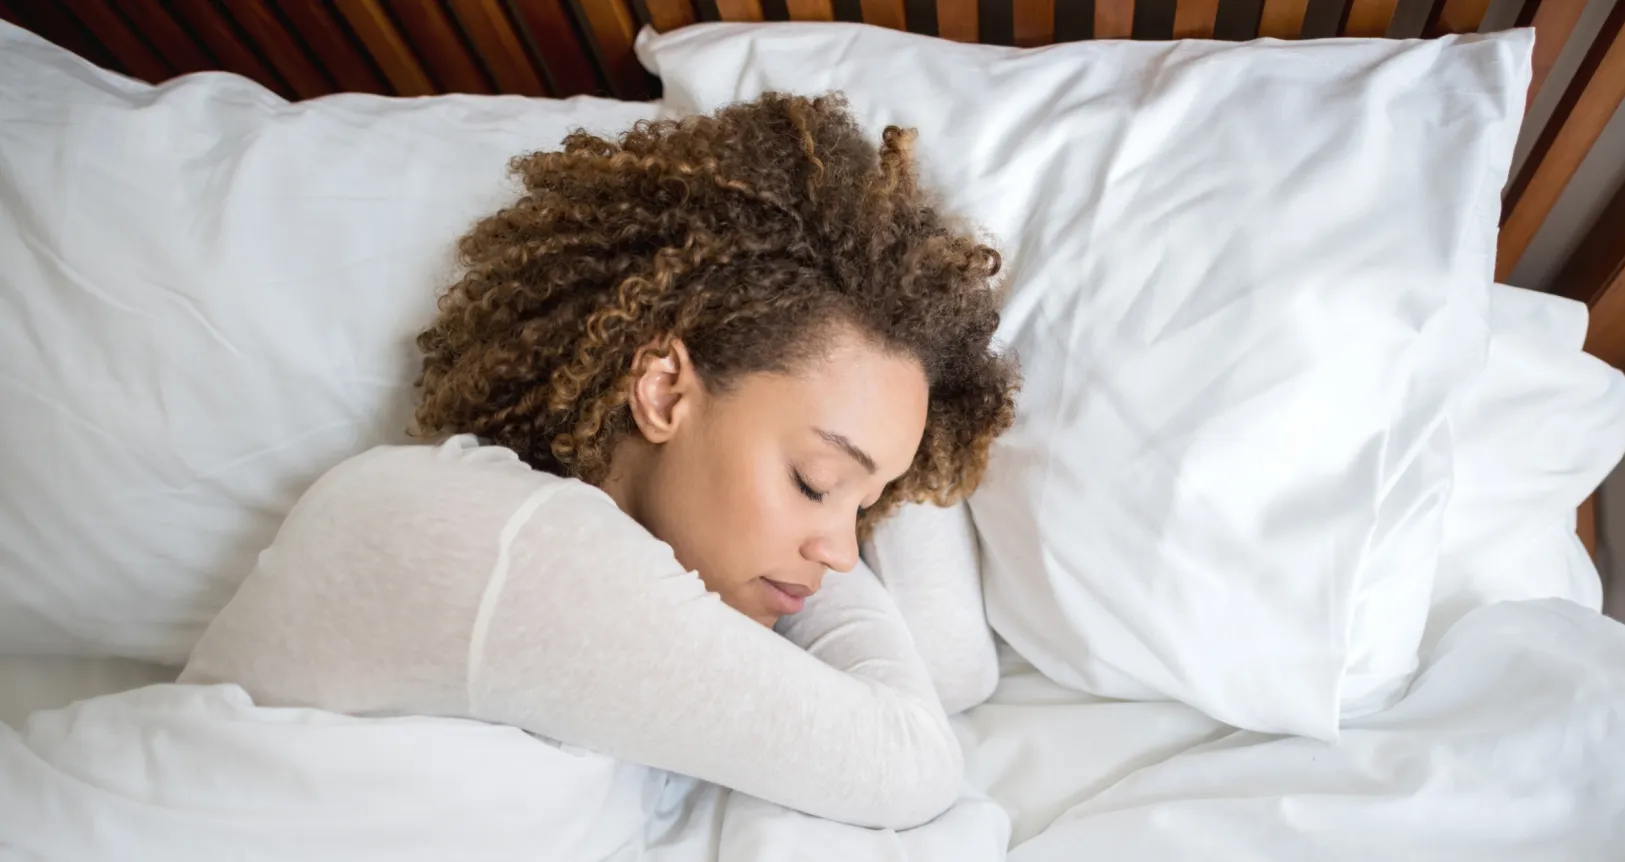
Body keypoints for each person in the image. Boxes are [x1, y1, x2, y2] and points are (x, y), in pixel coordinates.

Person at [180, 92, 1017, 830]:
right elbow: (906, 761)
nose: (841, 551)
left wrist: (891, 416)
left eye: (866, 512)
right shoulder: (512, 545)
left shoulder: (639, 568)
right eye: (814, 482)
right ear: (661, 392)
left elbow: (950, 672)